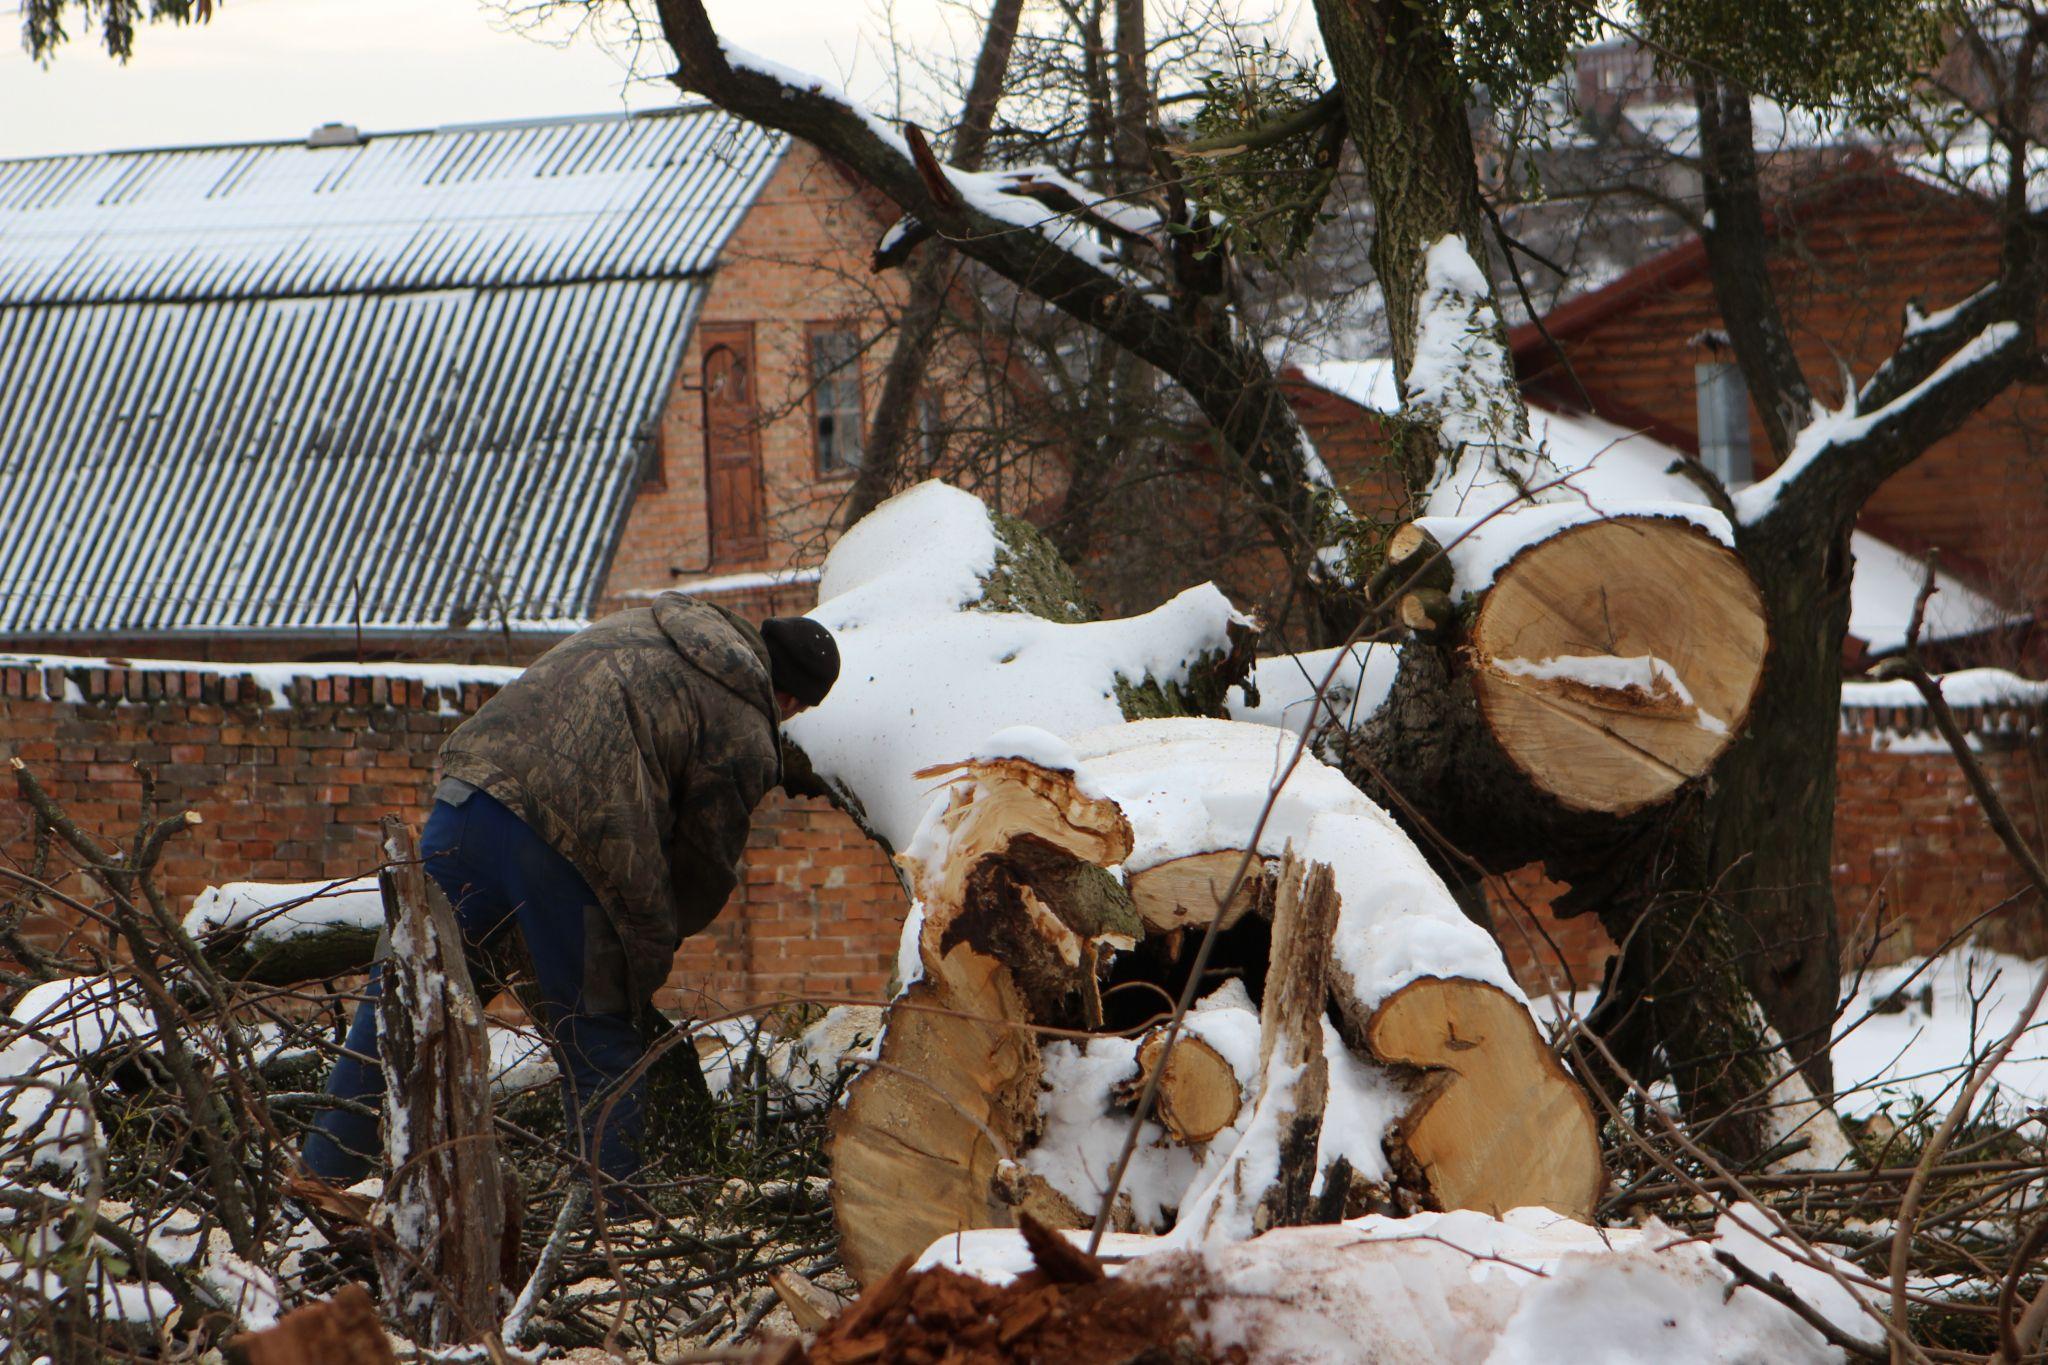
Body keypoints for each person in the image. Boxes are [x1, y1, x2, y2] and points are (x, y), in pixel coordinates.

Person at [302, 600, 839, 1195]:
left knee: (405, 1011)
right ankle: (618, 1242)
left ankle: (321, 1187)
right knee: (601, 1046)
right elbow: (703, 866)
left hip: (470, 792)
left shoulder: (653, 623)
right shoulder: (745, 724)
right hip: (565, 835)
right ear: (792, 701)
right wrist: (646, 953)